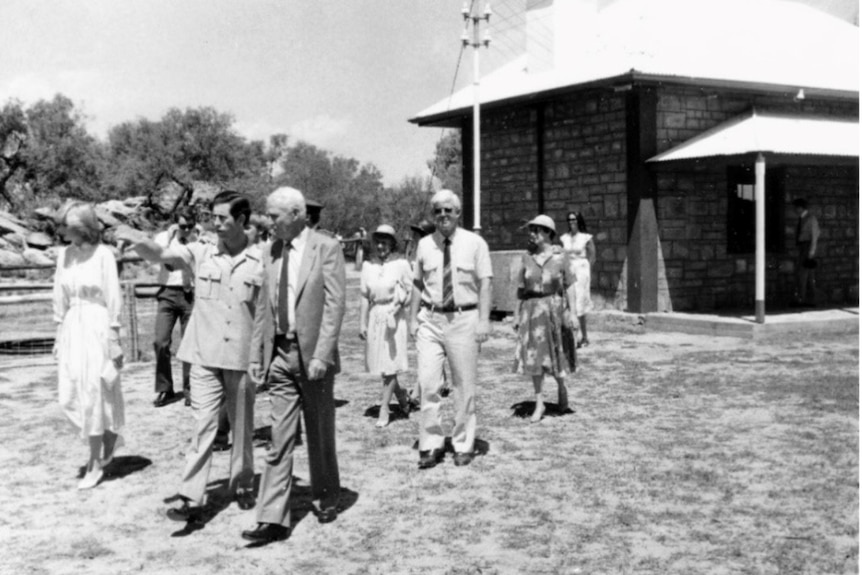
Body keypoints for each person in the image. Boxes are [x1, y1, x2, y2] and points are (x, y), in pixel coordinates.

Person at [116, 191, 262, 519]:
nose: (216, 224)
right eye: (214, 217)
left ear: (241, 220)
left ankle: (242, 483)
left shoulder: (261, 259)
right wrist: (138, 239)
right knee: (203, 425)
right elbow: (163, 253)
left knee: (241, 427)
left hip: (241, 356)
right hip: (204, 354)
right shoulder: (201, 251)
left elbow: (266, 312)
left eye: (224, 218)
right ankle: (191, 496)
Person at [242, 186, 346, 544]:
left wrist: (322, 354)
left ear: (297, 215)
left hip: (313, 357)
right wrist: (257, 356)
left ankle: (326, 494)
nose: (268, 222)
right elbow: (263, 309)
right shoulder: (270, 251)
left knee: (319, 432)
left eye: (274, 216)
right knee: (278, 438)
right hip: (280, 357)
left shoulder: (326, 247)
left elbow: (334, 307)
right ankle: (272, 518)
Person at [408, 189, 493, 469]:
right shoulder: (424, 245)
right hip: (431, 320)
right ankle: (430, 444)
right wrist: (412, 318)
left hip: (463, 320)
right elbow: (418, 284)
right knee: (429, 384)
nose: (442, 215)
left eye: (448, 210)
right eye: (437, 211)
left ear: (458, 213)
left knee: (463, 386)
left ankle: (463, 443)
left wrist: (483, 320)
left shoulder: (475, 243)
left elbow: (485, 283)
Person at [52, 202, 125, 490]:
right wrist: (59, 334)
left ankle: (95, 462)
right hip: (73, 327)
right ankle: (109, 438)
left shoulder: (104, 255)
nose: (60, 231)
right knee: (69, 393)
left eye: (65, 226)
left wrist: (115, 338)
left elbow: (112, 296)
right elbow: (59, 295)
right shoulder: (64, 256)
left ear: (81, 227)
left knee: (94, 391)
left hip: (98, 325)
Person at [513, 215, 576, 423]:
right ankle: (539, 402)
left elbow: (570, 285)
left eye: (537, 230)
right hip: (532, 311)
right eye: (531, 230)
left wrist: (573, 312)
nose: (532, 234)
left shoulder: (560, 257)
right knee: (535, 357)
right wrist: (516, 315)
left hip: (555, 310)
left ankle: (561, 388)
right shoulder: (526, 257)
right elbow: (521, 290)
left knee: (557, 353)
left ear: (548, 233)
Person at [359, 224, 413, 428]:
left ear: (392, 243)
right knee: (382, 366)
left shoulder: (401, 265)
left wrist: (400, 305)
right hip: (376, 315)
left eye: (385, 242)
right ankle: (401, 395)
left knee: (390, 364)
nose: (381, 246)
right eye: (378, 242)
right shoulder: (368, 266)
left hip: (394, 318)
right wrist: (362, 322)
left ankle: (384, 408)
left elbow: (411, 291)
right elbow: (364, 296)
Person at [152, 208, 196, 408]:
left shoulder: (198, 239)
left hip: (190, 294)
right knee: (161, 341)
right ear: (175, 224)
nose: (186, 230)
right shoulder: (164, 238)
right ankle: (164, 388)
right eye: (182, 226)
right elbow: (158, 256)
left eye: (189, 226)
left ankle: (191, 389)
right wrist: (169, 239)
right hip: (168, 292)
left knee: (189, 344)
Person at [560, 211, 595, 347]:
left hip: (581, 271)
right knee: (569, 302)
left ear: (578, 220)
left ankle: (581, 337)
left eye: (574, 219)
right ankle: (574, 336)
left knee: (579, 302)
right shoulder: (564, 238)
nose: (571, 222)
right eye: (569, 220)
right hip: (569, 269)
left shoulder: (586, 237)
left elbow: (592, 256)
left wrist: (586, 270)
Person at [792, 198, 820, 307]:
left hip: (807, 247)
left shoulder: (810, 219)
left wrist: (811, 252)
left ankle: (802, 299)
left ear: (800, 208)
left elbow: (814, 236)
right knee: (808, 276)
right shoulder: (802, 218)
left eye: (796, 207)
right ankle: (810, 300)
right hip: (802, 247)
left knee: (803, 274)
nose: (795, 210)